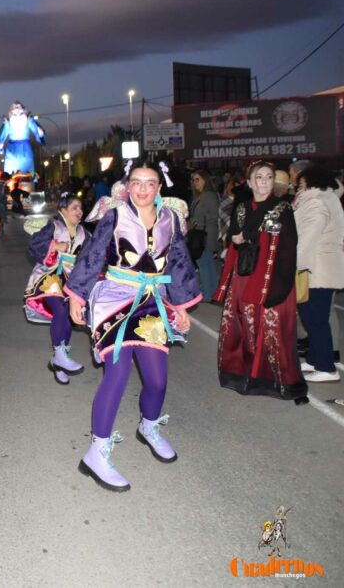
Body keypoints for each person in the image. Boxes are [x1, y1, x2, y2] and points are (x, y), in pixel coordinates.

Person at [65, 161, 200, 492]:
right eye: (136, 182)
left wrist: (182, 307)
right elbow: (92, 256)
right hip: (114, 299)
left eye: (149, 183)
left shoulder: (170, 219)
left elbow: (180, 263)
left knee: (157, 379)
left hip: (153, 300)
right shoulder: (115, 216)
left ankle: (149, 427)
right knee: (118, 374)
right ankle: (97, 451)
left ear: (158, 188)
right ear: (127, 186)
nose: (142, 189)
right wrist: (76, 297)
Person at [214, 161, 308, 402]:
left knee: (275, 331)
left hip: (273, 278)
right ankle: (247, 376)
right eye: (260, 177)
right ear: (251, 181)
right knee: (246, 328)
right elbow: (235, 238)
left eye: (268, 177)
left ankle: (279, 381)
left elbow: (289, 246)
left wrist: (282, 283)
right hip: (246, 277)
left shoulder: (282, 208)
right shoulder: (243, 207)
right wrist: (238, 238)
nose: (264, 182)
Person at [24, 193, 88, 384]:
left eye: (81, 208)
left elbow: (94, 257)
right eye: (74, 207)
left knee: (68, 315)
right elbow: (33, 245)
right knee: (60, 308)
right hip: (49, 275)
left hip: (70, 280)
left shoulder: (85, 234)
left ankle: (59, 361)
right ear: (63, 210)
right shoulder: (54, 227)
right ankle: (60, 354)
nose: (79, 211)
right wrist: (54, 245)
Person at [294, 165, 344, 383]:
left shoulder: (315, 202)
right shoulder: (328, 198)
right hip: (321, 266)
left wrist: (294, 265)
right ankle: (316, 359)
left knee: (315, 319)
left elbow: (307, 239)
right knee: (313, 316)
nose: (298, 185)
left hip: (315, 267)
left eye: (300, 182)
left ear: (308, 181)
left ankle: (326, 367)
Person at [188, 170, 221, 302]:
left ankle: (209, 293)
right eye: (193, 180)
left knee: (205, 264)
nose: (195, 182)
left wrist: (198, 224)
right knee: (205, 264)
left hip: (205, 235)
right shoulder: (201, 196)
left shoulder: (208, 196)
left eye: (198, 179)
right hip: (201, 233)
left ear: (205, 180)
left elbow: (212, 217)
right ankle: (208, 291)